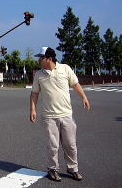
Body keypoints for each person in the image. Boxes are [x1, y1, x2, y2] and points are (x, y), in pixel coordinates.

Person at [29, 47, 90, 182]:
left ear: (49, 59)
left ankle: (72, 168)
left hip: (66, 114)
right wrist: (32, 110)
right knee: (53, 145)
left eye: (41, 58)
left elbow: (75, 84)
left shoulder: (65, 69)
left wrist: (83, 97)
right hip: (49, 116)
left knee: (70, 144)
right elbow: (34, 93)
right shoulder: (39, 74)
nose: (39, 60)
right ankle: (53, 169)